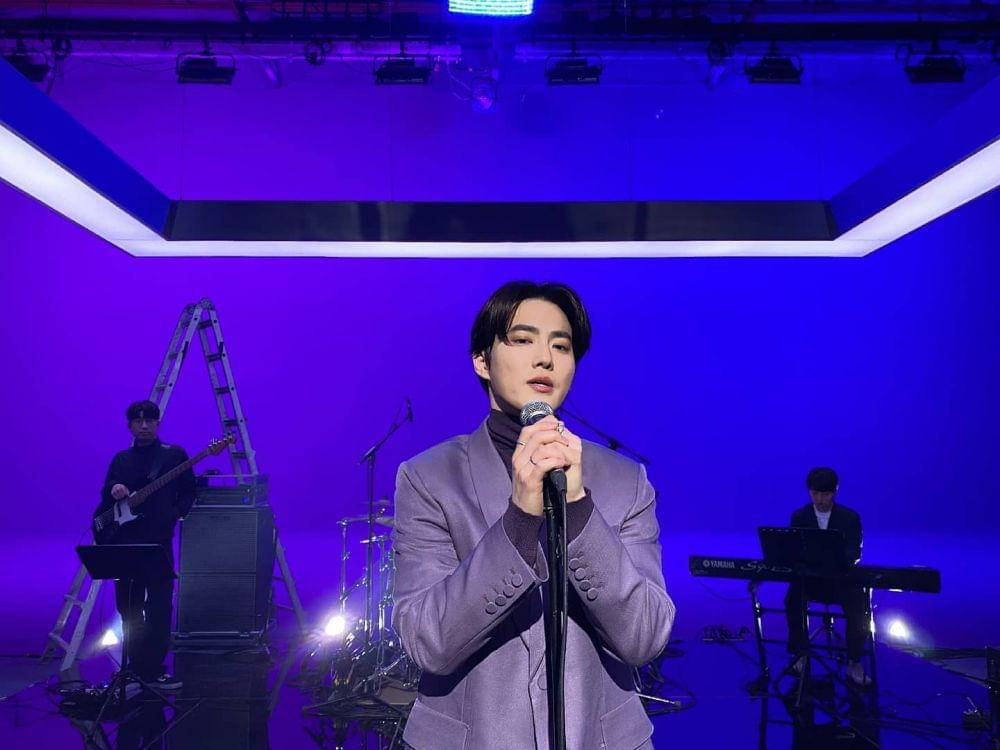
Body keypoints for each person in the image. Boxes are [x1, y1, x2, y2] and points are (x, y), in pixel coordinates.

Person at [392, 281, 676, 749]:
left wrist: (579, 508)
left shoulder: (626, 481)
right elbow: (428, 642)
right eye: (523, 340)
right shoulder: (430, 478)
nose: (545, 358)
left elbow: (644, 638)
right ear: (482, 360)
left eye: (561, 346)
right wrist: (520, 519)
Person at [94, 400, 195, 691]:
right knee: (129, 609)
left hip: (158, 544)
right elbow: (105, 496)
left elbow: (189, 490)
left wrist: (175, 513)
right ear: (129, 426)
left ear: (157, 424)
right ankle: (135, 668)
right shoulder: (121, 459)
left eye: (149, 420)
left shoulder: (173, 455)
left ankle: (154, 669)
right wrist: (114, 489)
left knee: (160, 608)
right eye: (138, 421)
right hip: (125, 544)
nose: (144, 426)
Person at [784, 466, 872, 687]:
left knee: (859, 603)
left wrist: (835, 563)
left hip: (840, 580)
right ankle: (800, 655)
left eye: (825, 494)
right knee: (792, 598)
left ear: (835, 492)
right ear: (809, 491)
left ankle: (854, 662)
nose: (820, 499)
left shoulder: (850, 517)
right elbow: (793, 551)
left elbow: (855, 553)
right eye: (815, 493)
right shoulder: (799, 516)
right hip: (811, 580)